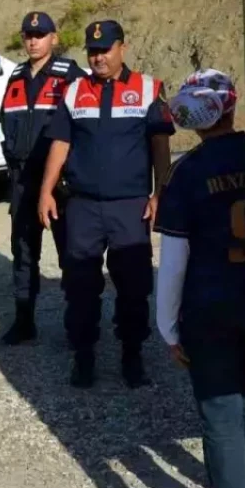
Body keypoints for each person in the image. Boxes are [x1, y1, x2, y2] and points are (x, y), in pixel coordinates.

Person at [153, 69, 245, 488]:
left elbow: (173, 261)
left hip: (210, 308)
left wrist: (167, 326)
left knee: (221, 415)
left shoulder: (188, 172)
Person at [38, 20, 174, 388]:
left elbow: (160, 146)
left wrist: (160, 194)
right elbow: (61, 143)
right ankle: (84, 357)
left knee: (133, 286)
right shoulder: (74, 91)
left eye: (105, 50)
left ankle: (132, 355)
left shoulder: (148, 89)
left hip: (130, 206)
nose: (98, 57)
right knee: (80, 285)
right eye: (93, 51)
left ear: (122, 48)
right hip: (83, 207)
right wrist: (46, 190)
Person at [0, 11, 84, 345]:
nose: (33, 41)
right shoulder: (16, 77)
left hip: (59, 182)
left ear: (53, 38)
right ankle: (24, 321)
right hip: (23, 179)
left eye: (40, 35)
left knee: (69, 253)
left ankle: (77, 322)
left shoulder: (69, 75)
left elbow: (83, 126)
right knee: (23, 252)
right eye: (28, 36)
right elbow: (5, 124)